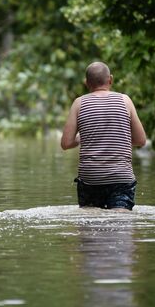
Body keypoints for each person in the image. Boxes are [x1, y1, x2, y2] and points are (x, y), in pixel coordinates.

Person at [61, 62, 146, 211]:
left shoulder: (79, 103)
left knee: (90, 226)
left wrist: (84, 137)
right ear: (110, 80)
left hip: (90, 179)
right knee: (121, 225)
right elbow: (140, 140)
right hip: (121, 177)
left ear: (87, 83)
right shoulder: (125, 101)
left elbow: (66, 143)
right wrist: (120, 138)